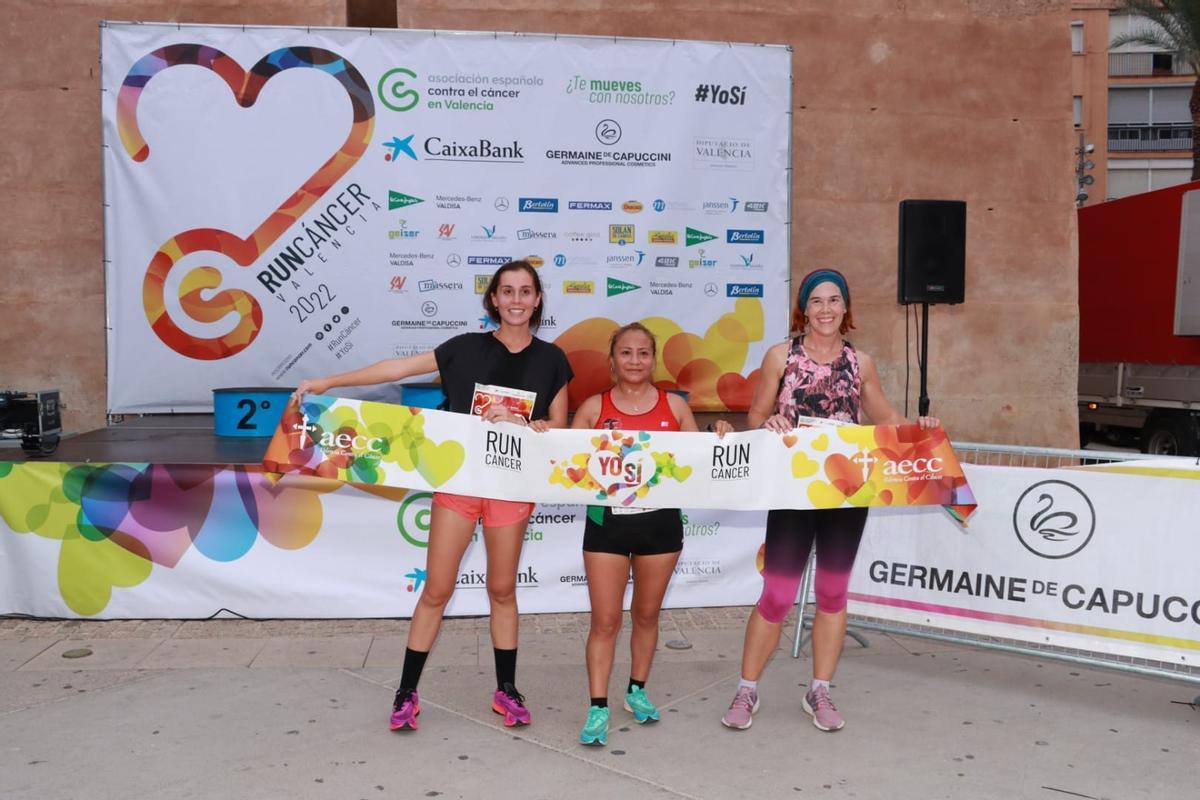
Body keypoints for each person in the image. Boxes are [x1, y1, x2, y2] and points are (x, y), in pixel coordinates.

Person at [293, 260, 572, 732]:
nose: (517, 300)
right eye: (508, 291)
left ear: (538, 299)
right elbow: (396, 367)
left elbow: (560, 425)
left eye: (526, 291)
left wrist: (541, 426)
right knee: (437, 590)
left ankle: (507, 690)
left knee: (502, 591)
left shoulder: (553, 360)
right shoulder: (464, 349)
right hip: (460, 484)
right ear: (494, 300)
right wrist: (329, 382)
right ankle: (406, 693)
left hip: (511, 490)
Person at [720, 269, 939, 733]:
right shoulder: (781, 356)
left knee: (833, 593)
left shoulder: (862, 362)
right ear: (804, 309)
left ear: (846, 307)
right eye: (816, 301)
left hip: (846, 493)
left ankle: (819, 690)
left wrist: (920, 430)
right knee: (777, 594)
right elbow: (756, 414)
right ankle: (746, 689)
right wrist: (770, 423)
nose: (825, 309)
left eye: (833, 300)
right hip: (793, 492)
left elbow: (885, 421)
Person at [570, 322, 731, 746]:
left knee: (645, 615)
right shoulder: (591, 408)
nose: (635, 361)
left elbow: (700, 462)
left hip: (660, 526)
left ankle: (636, 691)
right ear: (612, 360)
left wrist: (720, 436)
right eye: (626, 353)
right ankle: (598, 706)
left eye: (643, 353)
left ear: (653, 359)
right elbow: (564, 464)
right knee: (604, 621)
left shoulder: (675, 408)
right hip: (606, 526)